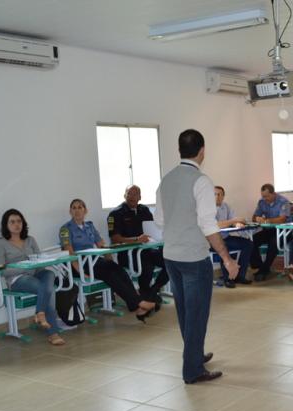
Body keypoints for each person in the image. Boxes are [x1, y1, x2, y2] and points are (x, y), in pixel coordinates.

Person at [155, 129, 239, 384]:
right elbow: (208, 224)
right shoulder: (201, 181)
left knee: (184, 311)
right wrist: (227, 259)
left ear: (179, 150)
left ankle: (195, 355)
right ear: (202, 151)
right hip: (193, 258)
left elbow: (159, 220)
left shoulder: (166, 180)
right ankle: (193, 370)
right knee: (197, 313)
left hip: (171, 256)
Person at [60, 199, 156, 322]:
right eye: (74, 208)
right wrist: (81, 272)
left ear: (85, 210)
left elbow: (102, 245)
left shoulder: (89, 226)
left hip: (93, 260)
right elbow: (69, 253)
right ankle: (139, 302)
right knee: (109, 273)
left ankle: (135, 305)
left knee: (119, 270)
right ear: (70, 211)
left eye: (80, 207)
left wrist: (110, 261)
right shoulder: (66, 229)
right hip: (78, 264)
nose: (77, 210)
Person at [0, 209, 65, 346]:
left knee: (50, 274)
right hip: (17, 278)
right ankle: (53, 333)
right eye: (12, 222)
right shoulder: (0, 243)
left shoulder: (30, 240)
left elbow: (39, 260)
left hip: (36, 273)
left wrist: (42, 264)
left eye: (19, 221)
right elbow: (1, 270)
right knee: (49, 290)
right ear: (6, 225)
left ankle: (40, 312)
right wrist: (24, 268)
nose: (16, 224)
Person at [107, 185, 169, 303]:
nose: (132, 197)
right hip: (127, 253)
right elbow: (115, 238)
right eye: (129, 194)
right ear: (124, 195)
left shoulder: (144, 210)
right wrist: (136, 239)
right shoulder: (115, 213)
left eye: (135, 194)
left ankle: (153, 290)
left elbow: (152, 230)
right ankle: (145, 292)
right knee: (147, 265)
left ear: (140, 197)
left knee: (170, 261)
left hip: (146, 249)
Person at [214, 185, 253, 288]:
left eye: (220, 194)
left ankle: (240, 275)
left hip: (226, 237)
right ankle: (228, 279)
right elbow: (216, 225)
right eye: (214, 194)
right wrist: (233, 221)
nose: (217, 197)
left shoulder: (226, 206)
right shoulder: (207, 208)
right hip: (212, 241)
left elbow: (234, 219)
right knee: (223, 247)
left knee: (248, 244)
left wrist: (237, 224)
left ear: (223, 196)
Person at [250, 183, 291, 281]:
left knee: (274, 243)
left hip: (284, 231)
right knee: (251, 240)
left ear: (274, 194)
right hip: (269, 230)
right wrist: (257, 218)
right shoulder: (262, 202)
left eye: (267, 196)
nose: (265, 199)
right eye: (263, 196)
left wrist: (267, 220)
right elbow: (254, 217)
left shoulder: (284, 202)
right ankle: (260, 266)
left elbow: (282, 219)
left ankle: (264, 270)